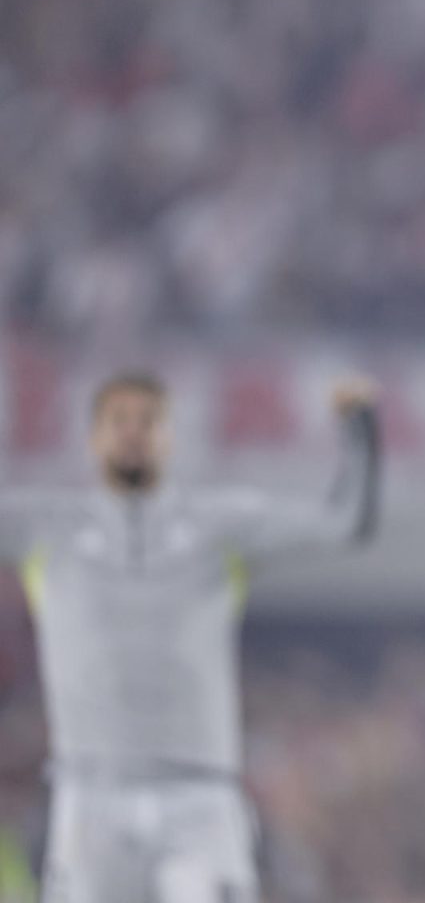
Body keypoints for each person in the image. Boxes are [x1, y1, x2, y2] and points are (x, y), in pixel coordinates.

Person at [0, 370, 380, 903]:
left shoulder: (217, 525)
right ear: (93, 436)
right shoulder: (46, 525)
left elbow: (344, 523)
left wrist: (358, 428)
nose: (133, 432)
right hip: (89, 793)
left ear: (169, 436)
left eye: (148, 421)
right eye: (118, 420)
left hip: (199, 795)